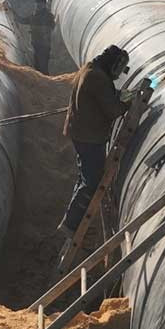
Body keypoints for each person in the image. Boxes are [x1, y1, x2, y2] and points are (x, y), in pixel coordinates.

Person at [58, 45, 132, 241]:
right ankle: (71, 225)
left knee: (85, 177)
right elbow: (113, 110)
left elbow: (103, 97)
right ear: (114, 64)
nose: (117, 76)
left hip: (80, 132)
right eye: (118, 69)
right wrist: (127, 102)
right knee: (92, 181)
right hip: (90, 136)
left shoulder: (91, 69)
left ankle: (72, 221)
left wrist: (116, 95)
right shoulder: (98, 78)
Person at [21, 0, 55, 74]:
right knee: (38, 68)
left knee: (42, 69)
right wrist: (12, 13)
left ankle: (45, 84)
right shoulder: (35, 14)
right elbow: (24, 20)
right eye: (37, 3)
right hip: (37, 45)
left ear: (44, 4)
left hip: (43, 47)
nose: (38, 5)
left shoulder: (47, 16)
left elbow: (51, 26)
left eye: (40, 3)